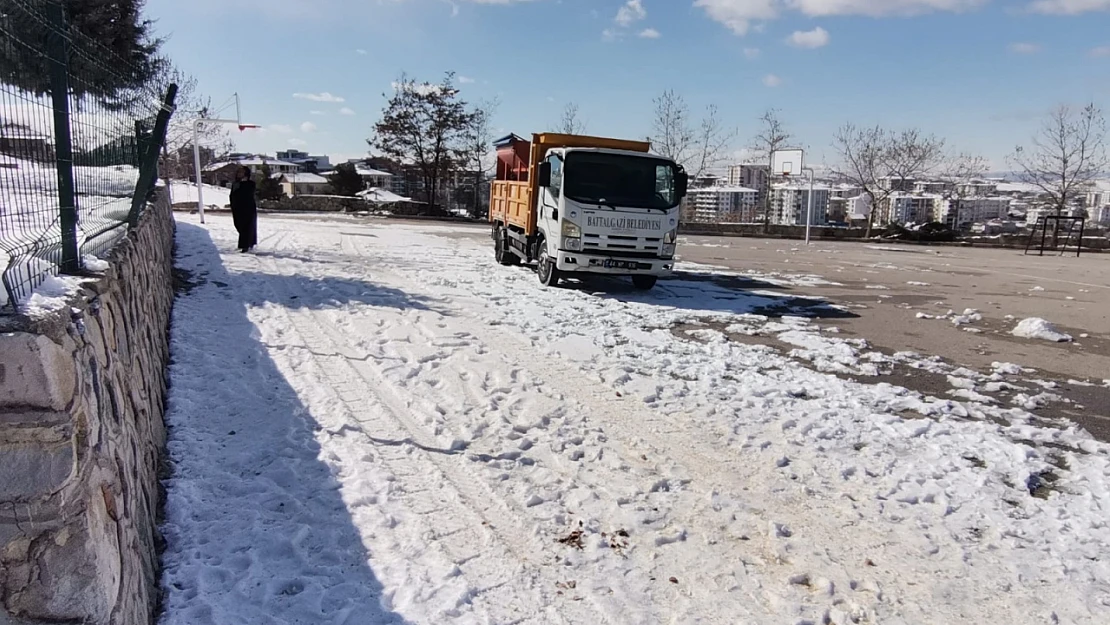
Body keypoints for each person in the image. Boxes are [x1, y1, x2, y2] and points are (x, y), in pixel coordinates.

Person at [229, 165, 258, 252]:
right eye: (239, 172)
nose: (239, 174)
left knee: (247, 226)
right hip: (237, 208)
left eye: (242, 172)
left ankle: (245, 245)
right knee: (239, 225)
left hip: (248, 208)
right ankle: (247, 243)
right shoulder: (235, 184)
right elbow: (232, 194)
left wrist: (243, 184)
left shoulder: (251, 184)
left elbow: (247, 194)